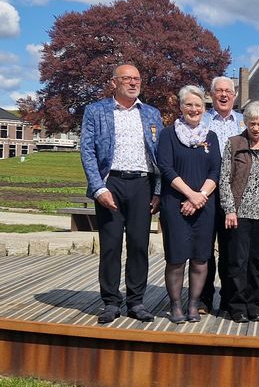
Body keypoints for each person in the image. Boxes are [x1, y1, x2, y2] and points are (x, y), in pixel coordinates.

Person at [81, 64, 163, 324]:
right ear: (113, 82)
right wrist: (98, 188)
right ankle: (110, 302)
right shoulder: (96, 111)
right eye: (127, 78)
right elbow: (87, 151)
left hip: (142, 184)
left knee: (139, 245)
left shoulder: (151, 113)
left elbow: (160, 155)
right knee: (111, 245)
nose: (133, 82)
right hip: (111, 183)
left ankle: (136, 302)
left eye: (137, 78)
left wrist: (159, 190)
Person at [157, 85, 221, 323]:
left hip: (205, 206)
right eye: (189, 105)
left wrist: (199, 197)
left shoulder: (210, 137)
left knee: (200, 258)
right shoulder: (167, 135)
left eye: (199, 105)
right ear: (181, 107)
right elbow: (165, 167)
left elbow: (216, 171)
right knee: (176, 258)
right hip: (175, 204)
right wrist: (190, 195)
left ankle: (193, 305)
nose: (194, 109)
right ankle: (175, 306)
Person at [218, 101, 259, 323]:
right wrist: (229, 209)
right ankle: (237, 306)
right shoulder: (234, 144)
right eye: (252, 123)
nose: (256, 128)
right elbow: (224, 179)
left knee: (257, 262)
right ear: (245, 122)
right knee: (238, 261)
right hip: (239, 213)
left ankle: (254, 304)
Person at [199, 76, 245, 314]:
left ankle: (229, 299)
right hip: (206, 195)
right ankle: (204, 299)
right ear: (212, 94)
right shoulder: (201, 122)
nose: (224, 95)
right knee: (205, 250)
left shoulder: (243, 123)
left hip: (234, 197)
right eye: (219, 91)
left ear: (235, 95)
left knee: (231, 251)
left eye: (228, 91)